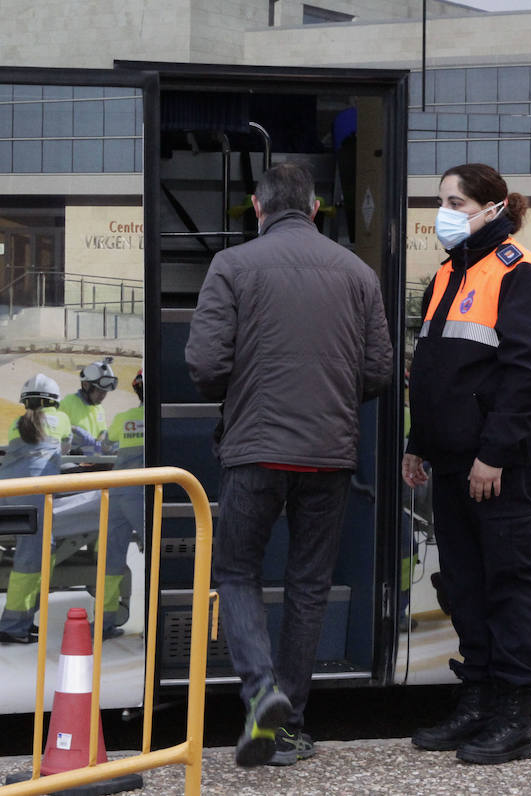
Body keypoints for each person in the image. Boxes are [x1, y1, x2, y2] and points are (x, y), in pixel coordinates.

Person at [185, 161, 391, 768]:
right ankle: (291, 725)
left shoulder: (232, 266)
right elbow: (379, 370)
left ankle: (260, 692)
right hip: (329, 455)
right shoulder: (358, 272)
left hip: (254, 449)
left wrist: (246, 387)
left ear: (257, 207)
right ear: (317, 208)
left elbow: (204, 365)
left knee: (238, 570)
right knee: (308, 584)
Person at [402, 163, 531, 765]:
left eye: (456, 201)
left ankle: (513, 717)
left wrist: (492, 454)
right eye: (442, 201)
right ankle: (477, 701)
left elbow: (529, 378)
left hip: (501, 466)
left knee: (509, 583)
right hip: (451, 463)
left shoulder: (523, 275)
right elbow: (435, 370)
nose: (444, 212)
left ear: (493, 208)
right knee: (466, 583)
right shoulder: (446, 273)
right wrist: (420, 442)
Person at [0, 373, 72, 645]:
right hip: (34, 498)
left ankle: (24, 621)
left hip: (9, 495)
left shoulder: (16, 424)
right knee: (30, 561)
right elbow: (71, 450)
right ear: (54, 401)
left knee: (35, 557)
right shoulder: (61, 420)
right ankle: (13, 626)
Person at [101, 369, 146, 637]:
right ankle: (152, 621)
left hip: (117, 493)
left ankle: (105, 622)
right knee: (155, 556)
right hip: (140, 494)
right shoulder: (157, 419)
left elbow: (106, 447)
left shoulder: (123, 418)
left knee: (111, 560)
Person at [60, 357, 115, 456]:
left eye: (105, 391)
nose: (103, 396)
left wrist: (103, 437)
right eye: (99, 391)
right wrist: (74, 430)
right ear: (85, 385)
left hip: (94, 460)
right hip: (73, 461)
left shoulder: (99, 408)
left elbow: (101, 435)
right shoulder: (67, 403)